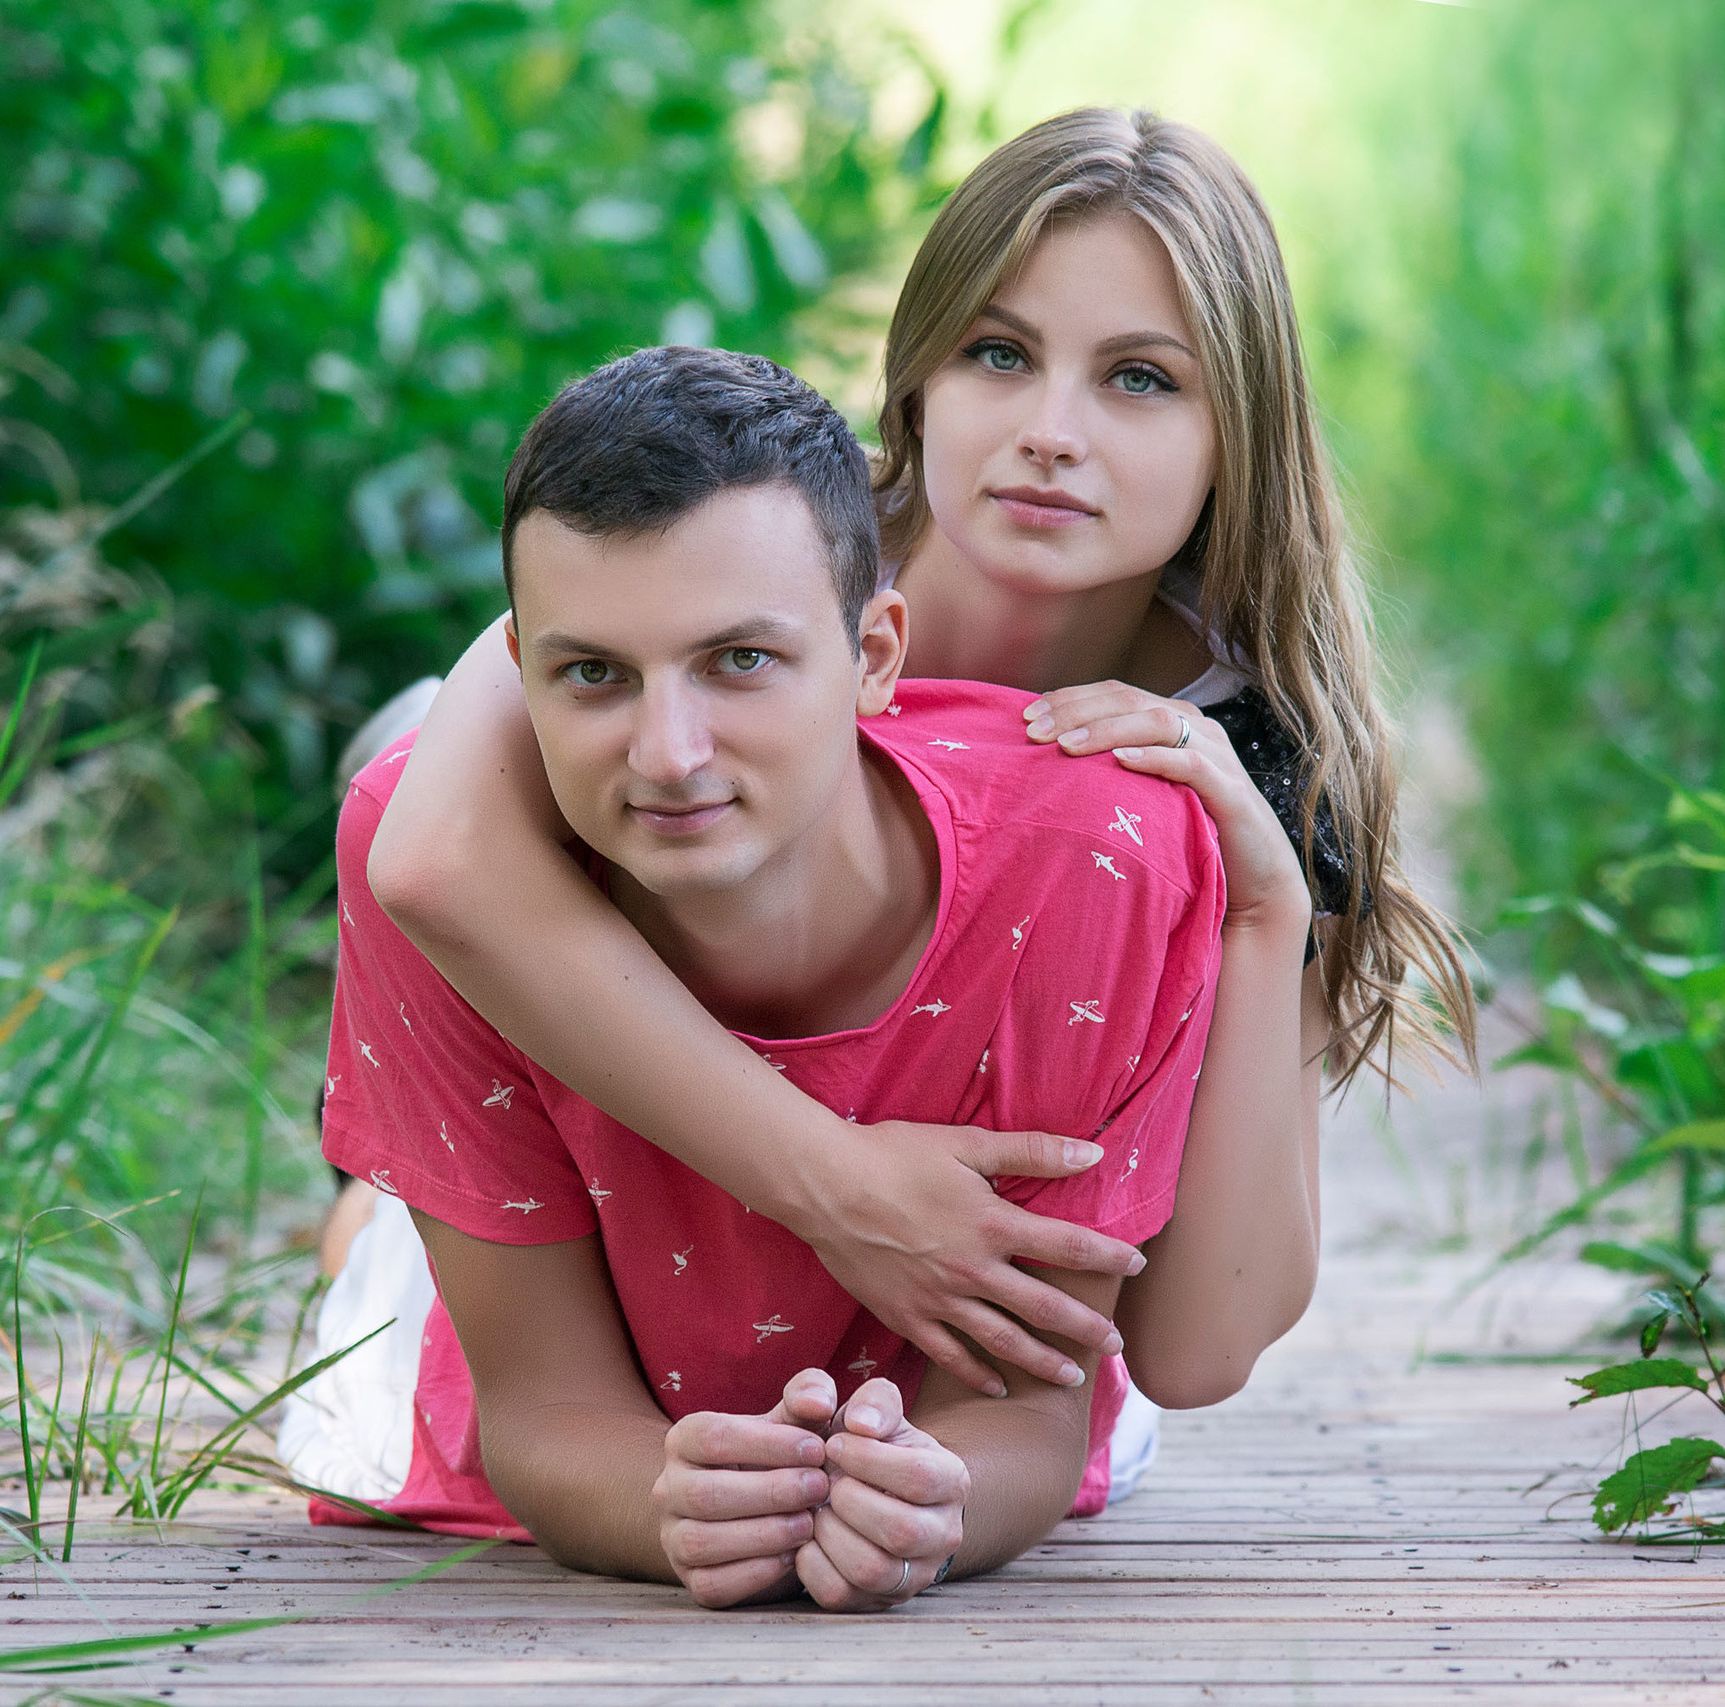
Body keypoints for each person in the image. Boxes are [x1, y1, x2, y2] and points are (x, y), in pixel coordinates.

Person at [317, 109, 1471, 1484]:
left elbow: (1199, 1347)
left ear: (1244, 428)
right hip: (634, 1160)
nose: (1052, 432)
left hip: (973, 1322)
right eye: (999, 352)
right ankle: (367, 1214)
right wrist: (837, 1183)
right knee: (422, 748)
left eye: (1140, 380)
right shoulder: (766, 548)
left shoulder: (1245, 750)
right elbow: (432, 850)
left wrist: (1267, 904)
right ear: (919, 377)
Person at [316, 345, 1223, 1608]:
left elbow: (1022, 1418)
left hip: (859, 1353)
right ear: (518, 674)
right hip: (542, 1299)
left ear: (875, 654)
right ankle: (375, 1206)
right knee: (379, 1281)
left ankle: (385, 1178)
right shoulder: (428, 863)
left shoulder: (1097, 856)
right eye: (592, 674)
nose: (671, 754)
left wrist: (941, 1505)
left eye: (739, 661)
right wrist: (659, 1505)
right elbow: (540, 1411)